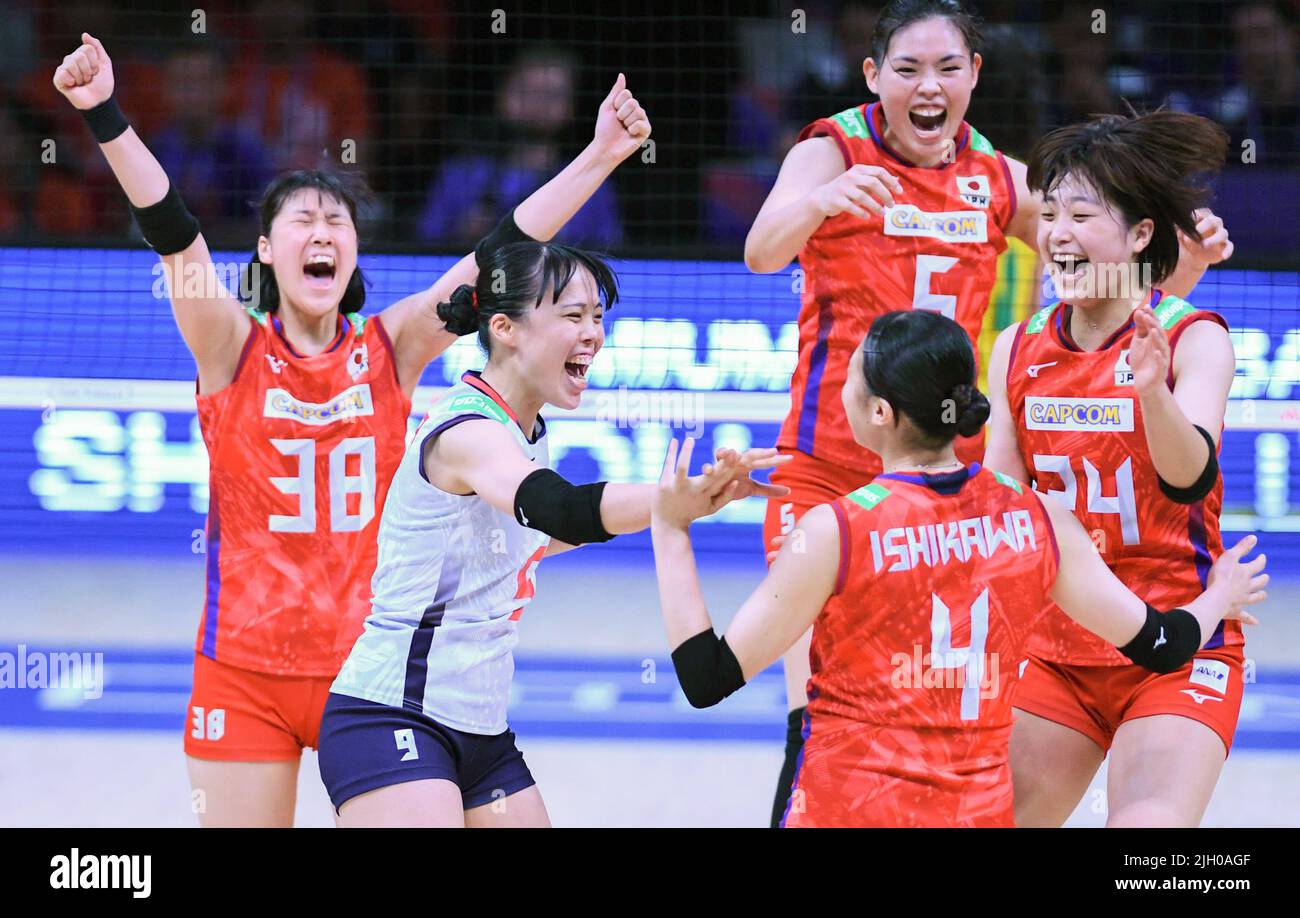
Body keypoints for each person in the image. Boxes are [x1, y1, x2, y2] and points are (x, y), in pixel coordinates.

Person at [54, 32, 652, 825]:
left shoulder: (392, 347)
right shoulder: (230, 346)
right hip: (245, 672)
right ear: (267, 250)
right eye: (302, 220)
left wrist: (602, 154)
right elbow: (173, 232)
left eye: (338, 220)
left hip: (372, 674)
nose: (324, 231)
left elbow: (499, 253)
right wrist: (104, 113)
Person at [742, 0, 1234, 826]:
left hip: (943, 482)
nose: (927, 86)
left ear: (974, 77)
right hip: (830, 474)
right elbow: (762, 253)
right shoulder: (834, 148)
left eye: (947, 69)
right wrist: (822, 204)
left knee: (939, 711)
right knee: (820, 712)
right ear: (873, 77)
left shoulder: (1002, 180)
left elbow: (1105, 285)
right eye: (907, 69)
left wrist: (1178, 260)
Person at [649, 310, 1266, 827]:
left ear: (881, 413)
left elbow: (707, 679)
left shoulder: (834, 531)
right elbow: (1164, 643)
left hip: (849, 808)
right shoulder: (1037, 518)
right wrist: (1221, 596)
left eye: (852, 374)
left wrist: (672, 527)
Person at [317, 242, 788, 827]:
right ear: (505, 327)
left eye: (598, 317)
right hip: (393, 716)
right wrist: (675, 497)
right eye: (573, 315)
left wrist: (694, 501)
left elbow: (538, 537)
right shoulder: (468, 431)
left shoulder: (526, 429)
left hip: (481, 733)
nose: (592, 333)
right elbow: (561, 510)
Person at [983, 110, 1250, 827]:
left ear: (1138, 235)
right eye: (1049, 214)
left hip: (1179, 642)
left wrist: (1151, 396)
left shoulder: (1196, 339)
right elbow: (1000, 506)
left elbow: (1188, 477)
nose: (1057, 234)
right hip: (1057, 649)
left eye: (1081, 214)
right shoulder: (1015, 347)